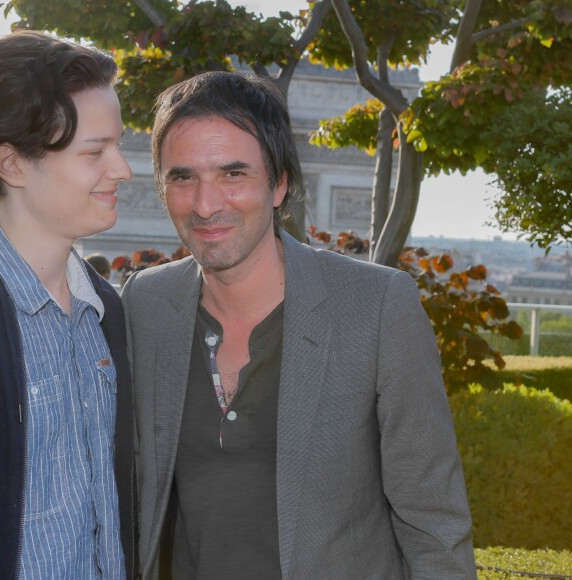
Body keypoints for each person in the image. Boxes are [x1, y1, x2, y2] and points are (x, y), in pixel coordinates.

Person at [122, 71, 477, 579]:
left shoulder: (376, 307)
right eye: (183, 177)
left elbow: (434, 524)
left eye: (233, 174)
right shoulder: (145, 304)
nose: (205, 204)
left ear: (280, 183)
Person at [0, 31, 136, 578]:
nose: (122, 169)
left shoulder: (105, 311)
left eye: (117, 145)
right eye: (95, 152)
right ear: (13, 165)